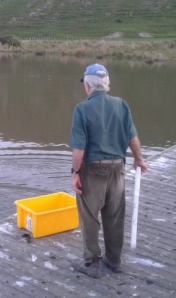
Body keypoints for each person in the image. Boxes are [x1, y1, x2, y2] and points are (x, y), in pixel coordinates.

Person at [69, 63, 148, 278]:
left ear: (88, 86)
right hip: (118, 169)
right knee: (114, 216)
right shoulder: (121, 105)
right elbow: (133, 137)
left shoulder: (82, 109)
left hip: (92, 171)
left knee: (89, 217)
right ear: (108, 83)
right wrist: (139, 160)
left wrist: (75, 173)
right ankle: (114, 261)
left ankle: (91, 263)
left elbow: (79, 149)